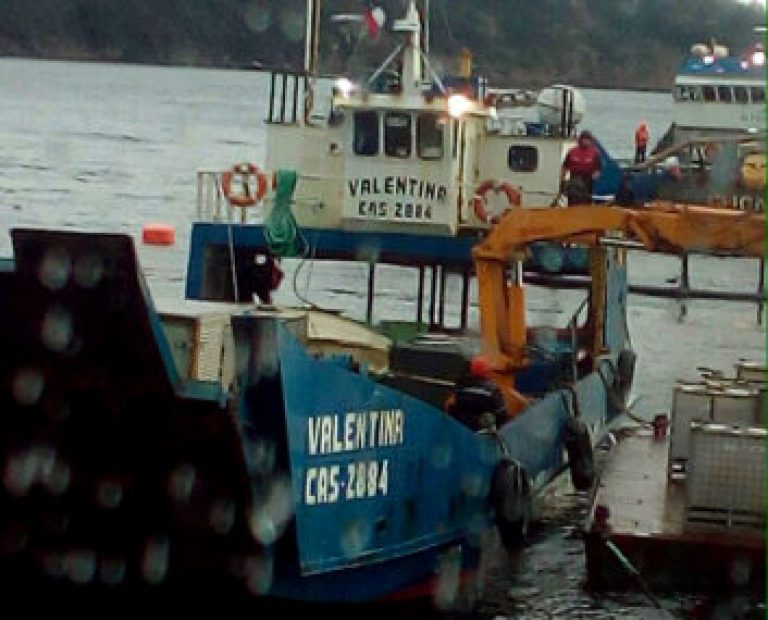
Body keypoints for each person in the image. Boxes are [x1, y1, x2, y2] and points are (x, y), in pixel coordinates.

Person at [445, 355, 507, 431]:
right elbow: (501, 414)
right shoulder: (492, 390)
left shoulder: (460, 387)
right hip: (482, 433)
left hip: (461, 431)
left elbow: (450, 407)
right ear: (487, 371)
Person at [560, 130, 602, 205]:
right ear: (580, 139)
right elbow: (565, 167)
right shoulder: (572, 151)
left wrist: (595, 177)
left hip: (588, 181)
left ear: (590, 140)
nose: (586, 141)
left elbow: (598, 168)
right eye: (584, 139)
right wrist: (562, 180)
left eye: (588, 139)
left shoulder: (595, 153)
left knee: (586, 202)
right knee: (573, 200)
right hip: (574, 179)